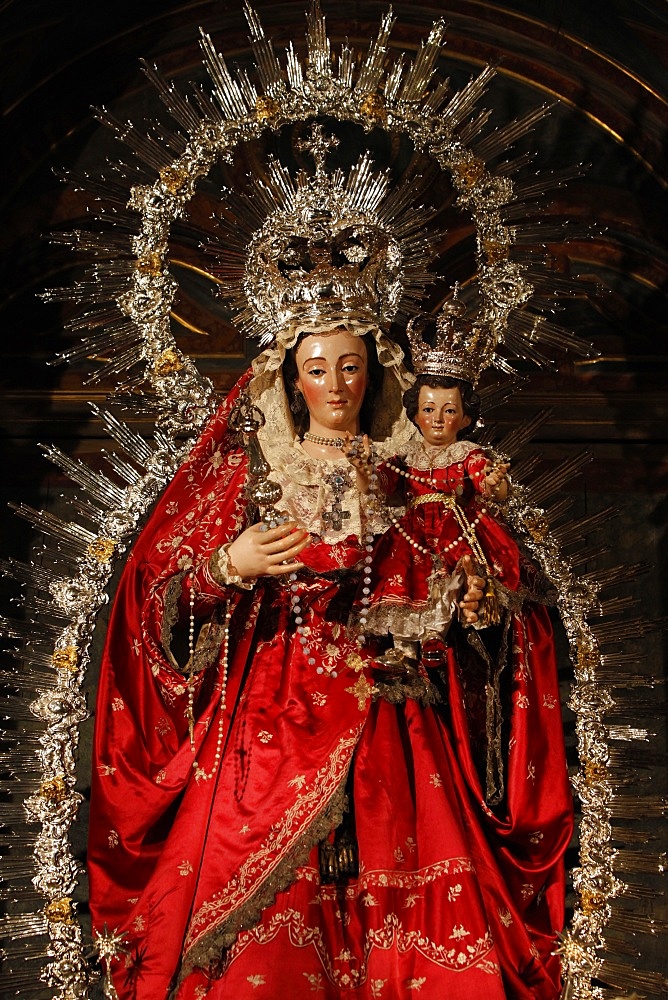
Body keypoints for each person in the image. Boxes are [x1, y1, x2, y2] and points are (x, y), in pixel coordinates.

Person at [88, 316, 573, 1000]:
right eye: (318, 369)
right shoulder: (254, 469)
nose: (337, 385)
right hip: (273, 716)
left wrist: (469, 594)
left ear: (375, 373)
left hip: (392, 711)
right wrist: (229, 564)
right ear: (290, 380)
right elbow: (156, 598)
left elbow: (474, 570)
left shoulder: (409, 470)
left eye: (352, 367)